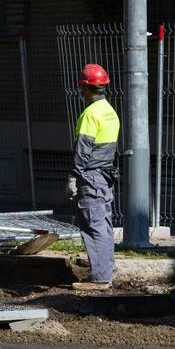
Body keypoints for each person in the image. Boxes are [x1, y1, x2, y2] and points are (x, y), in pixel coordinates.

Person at [67, 63, 121, 291]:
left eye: (82, 87)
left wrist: (73, 177)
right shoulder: (110, 112)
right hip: (105, 176)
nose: (80, 91)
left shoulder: (90, 114)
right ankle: (106, 271)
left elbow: (83, 150)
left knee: (93, 226)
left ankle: (100, 278)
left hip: (90, 177)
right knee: (104, 225)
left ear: (87, 88)